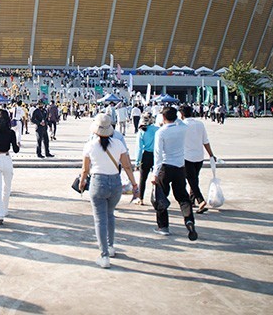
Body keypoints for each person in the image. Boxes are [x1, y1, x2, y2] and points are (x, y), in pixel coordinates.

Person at [79, 114, 138, 268]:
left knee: (100, 219)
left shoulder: (90, 145)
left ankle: (104, 255)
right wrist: (134, 183)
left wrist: (82, 181)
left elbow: (85, 169)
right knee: (110, 215)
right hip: (115, 182)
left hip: (98, 182)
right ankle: (111, 247)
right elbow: (127, 166)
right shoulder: (118, 144)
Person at [150, 107, 197, 241]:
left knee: (161, 197)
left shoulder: (161, 132)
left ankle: (163, 226)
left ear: (163, 118)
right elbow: (181, 122)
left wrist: (155, 173)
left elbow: (158, 154)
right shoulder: (182, 128)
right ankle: (189, 220)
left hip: (165, 167)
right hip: (179, 167)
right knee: (182, 196)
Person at [181, 105, 216, 214]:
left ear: (181, 114)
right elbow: (205, 140)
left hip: (187, 157)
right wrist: (211, 154)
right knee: (194, 178)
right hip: (199, 156)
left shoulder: (182, 125)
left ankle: (200, 200)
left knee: (191, 180)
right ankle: (192, 201)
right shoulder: (200, 124)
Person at [135, 113, 158, 206]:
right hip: (156, 155)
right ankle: (157, 197)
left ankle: (141, 198)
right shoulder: (157, 129)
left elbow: (139, 148)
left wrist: (137, 162)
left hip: (146, 155)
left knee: (142, 178)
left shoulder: (141, 131)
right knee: (156, 178)